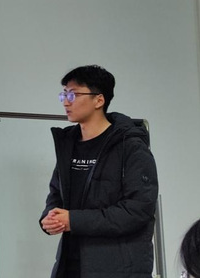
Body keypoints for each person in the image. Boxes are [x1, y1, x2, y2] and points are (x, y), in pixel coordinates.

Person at [40, 65, 158, 278]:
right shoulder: (68, 144)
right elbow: (56, 193)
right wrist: (50, 216)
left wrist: (73, 220)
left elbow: (137, 211)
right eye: (63, 94)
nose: (66, 102)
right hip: (70, 266)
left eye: (73, 94)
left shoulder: (131, 146)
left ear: (99, 100)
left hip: (119, 269)